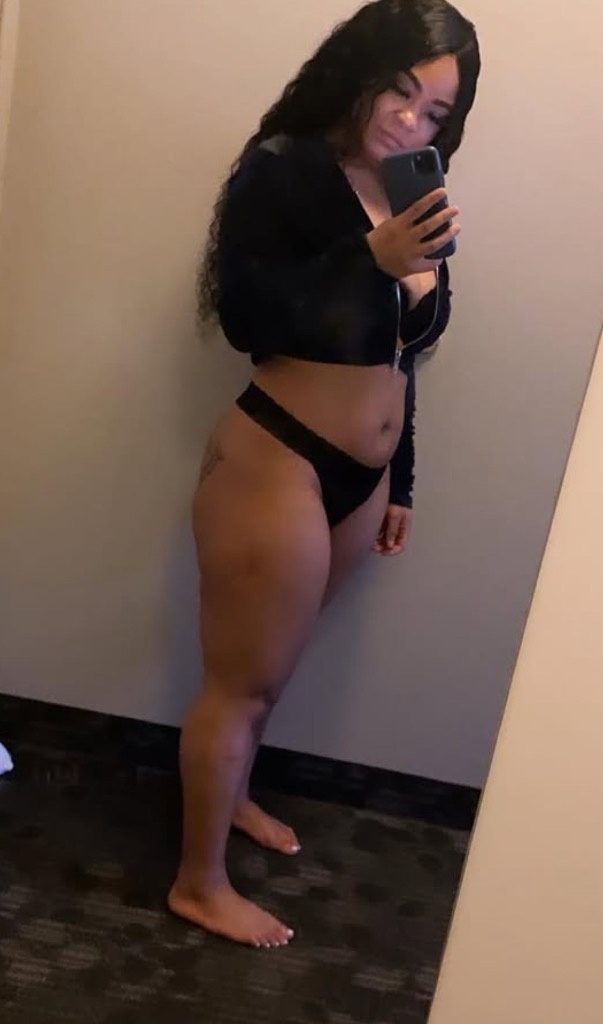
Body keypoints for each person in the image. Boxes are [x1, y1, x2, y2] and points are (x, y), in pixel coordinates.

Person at [168, 0, 481, 949]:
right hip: (278, 459)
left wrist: (403, 477)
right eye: (399, 90)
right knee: (238, 682)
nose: (409, 120)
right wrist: (368, 258)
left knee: (272, 674)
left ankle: (230, 800)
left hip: (359, 477)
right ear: (360, 73)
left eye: (435, 112)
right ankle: (197, 884)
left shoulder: (410, 194)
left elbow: (401, 352)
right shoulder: (285, 167)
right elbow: (248, 317)